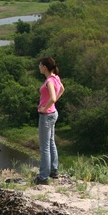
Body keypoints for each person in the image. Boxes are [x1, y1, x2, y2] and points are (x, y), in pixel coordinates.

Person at [36, 56, 65, 184]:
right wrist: (51, 105)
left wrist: (44, 108)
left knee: (45, 146)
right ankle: (54, 171)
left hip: (46, 116)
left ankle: (43, 177)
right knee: (51, 143)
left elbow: (53, 98)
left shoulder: (49, 81)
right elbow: (62, 89)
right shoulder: (56, 78)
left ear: (45, 67)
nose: (39, 67)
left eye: (40, 65)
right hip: (53, 113)